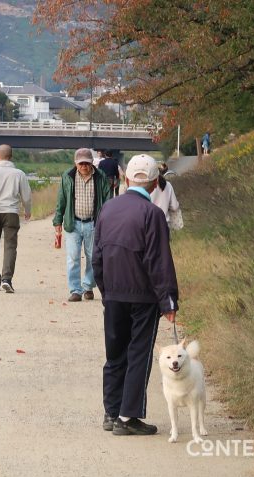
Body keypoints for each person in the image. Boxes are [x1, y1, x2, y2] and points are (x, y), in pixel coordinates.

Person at [93, 153, 179, 435]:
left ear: (126, 179)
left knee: (115, 352)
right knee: (138, 353)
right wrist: (168, 300)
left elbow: (97, 256)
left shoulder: (107, 209)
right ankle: (127, 418)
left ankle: (111, 411)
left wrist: (106, 289)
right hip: (143, 296)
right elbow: (159, 261)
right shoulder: (153, 214)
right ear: (155, 184)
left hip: (114, 293)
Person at [52, 147, 112, 302]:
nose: (84, 166)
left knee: (94, 258)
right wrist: (57, 221)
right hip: (74, 223)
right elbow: (61, 200)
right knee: (73, 258)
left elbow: (107, 201)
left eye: (87, 163)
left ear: (92, 163)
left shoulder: (101, 177)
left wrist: (107, 222)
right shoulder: (68, 176)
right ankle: (75, 290)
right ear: (75, 163)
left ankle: (87, 287)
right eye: (81, 164)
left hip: (93, 224)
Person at [0, 144, 32, 293]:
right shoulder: (19, 173)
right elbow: (27, 196)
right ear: (11, 157)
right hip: (11, 213)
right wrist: (27, 210)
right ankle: (7, 279)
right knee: (10, 246)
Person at [151, 163, 182, 231]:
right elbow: (174, 206)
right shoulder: (168, 185)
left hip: (149, 225)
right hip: (164, 226)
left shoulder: (147, 186)